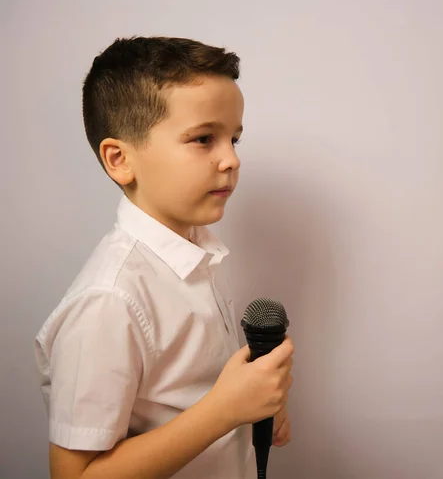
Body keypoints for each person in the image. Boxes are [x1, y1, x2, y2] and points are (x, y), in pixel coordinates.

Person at [33, 35, 294, 479]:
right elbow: (74, 475)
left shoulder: (199, 252)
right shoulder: (108, 302)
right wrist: (225, 410)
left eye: (234, 138)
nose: (231, 159)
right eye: (204, 139)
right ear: (119, 159)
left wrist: (254, 406)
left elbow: (189, 394)